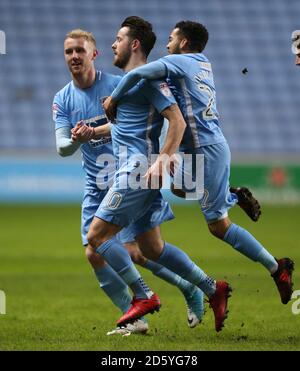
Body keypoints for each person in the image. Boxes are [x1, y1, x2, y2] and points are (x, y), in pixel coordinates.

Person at [103, 20, 294, 306]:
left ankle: (277, 268)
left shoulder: (181, 62)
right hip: (194, 151)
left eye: (171, 38)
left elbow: (141, 71)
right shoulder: (202, 63)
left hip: (206, 149)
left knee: (218, 227)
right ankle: (230, 194)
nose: (166, 45)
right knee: (180, 189)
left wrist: (113, 98)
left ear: (183, 43)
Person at [83, 16, 232, 332]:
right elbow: (128, 126)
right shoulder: (133, 83)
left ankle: (143, 295)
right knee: (150, 249)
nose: (113, 44)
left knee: (95, 238)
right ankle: (209, 288)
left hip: (137, 169)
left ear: (134, 44)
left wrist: (165, 159)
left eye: (119, 38)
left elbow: (176, 120)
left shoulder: (149, 80)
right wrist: (93, 132)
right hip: (141, 169)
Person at [53, 29, 204, 336]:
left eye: (80, 50)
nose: (74, 57)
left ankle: (185, 289)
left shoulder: (120, 84)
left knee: (143, 250)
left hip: (128, 175)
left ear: (93, 54)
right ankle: (135, 315)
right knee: (97, 252)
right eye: (69, 52)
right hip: (96, 183)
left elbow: (145, 122)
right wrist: (77, 139)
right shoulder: (62, 99)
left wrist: (164, 157)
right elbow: (62, 148)